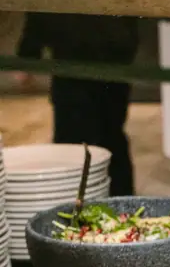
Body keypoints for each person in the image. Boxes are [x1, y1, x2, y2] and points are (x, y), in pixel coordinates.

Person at [17, 13, 139, 196]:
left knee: (92, 142)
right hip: (96, 70)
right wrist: (28, 54)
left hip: (91, 70)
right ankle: (118, 202)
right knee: (104, 140)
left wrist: (28, 54)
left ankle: (110, 202)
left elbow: (42, 11)